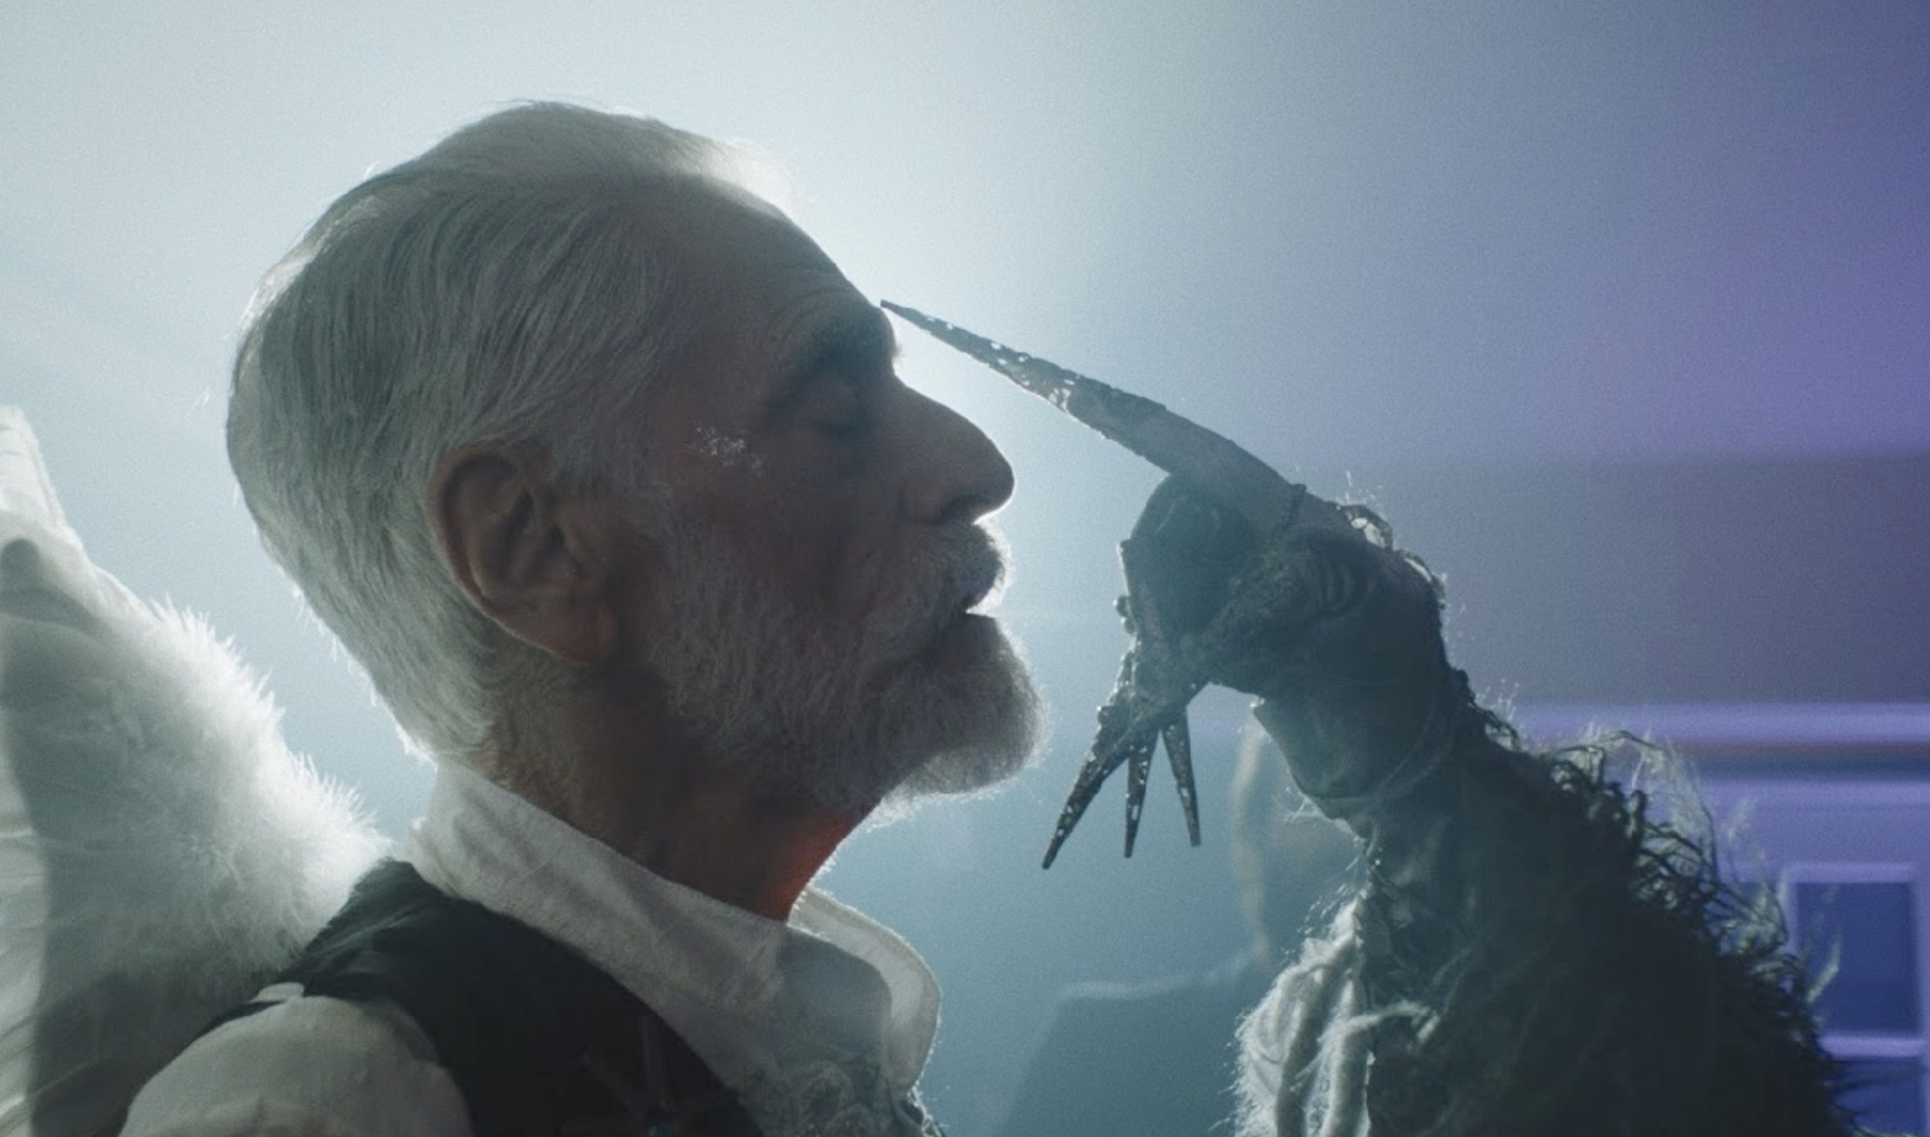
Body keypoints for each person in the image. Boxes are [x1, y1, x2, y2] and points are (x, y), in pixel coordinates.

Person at [121, 101, 1865, 1137]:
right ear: (533, 548)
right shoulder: (335, 1108)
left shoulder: (765, 1042)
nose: (973, 464)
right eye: (833, 407)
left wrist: (1432, 797)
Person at [995, 731, 1358, 1137]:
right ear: (1248, 845)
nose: (1349, 836)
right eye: (1313, 808)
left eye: (1382, 808)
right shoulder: (1100, 1055)